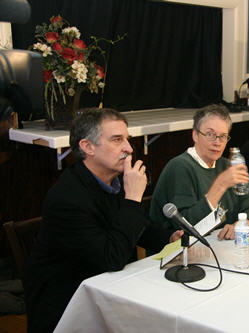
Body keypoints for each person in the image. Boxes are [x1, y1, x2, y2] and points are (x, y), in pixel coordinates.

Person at [25, 108, 182, 333]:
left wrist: (169, 238)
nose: (129, 148)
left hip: (110, 291)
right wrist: (133, 199)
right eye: (117, 140)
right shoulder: (67, 197)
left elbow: (140, 227)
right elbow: (112, 258)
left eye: (127, 139)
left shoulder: (113, 181)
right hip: (70, 308)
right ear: (87, 147)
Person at [150, 104, 249, 240]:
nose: (217, 142)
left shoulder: (225, 164)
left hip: (223, 246)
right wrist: (219, 186)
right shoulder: (180, 167)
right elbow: (187, 226)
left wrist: (242, 223)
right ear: (195, 135)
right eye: (210, 134)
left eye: (223, 136)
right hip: (180, 254)